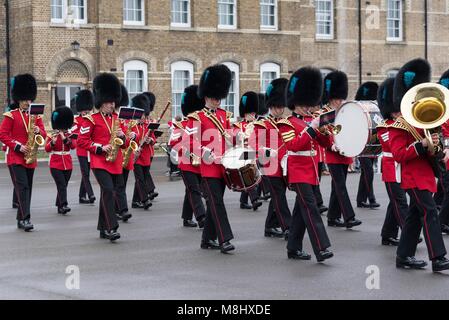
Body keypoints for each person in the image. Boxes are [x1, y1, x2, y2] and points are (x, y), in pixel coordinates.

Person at [390, 58, 449, 272]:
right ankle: (438, 257)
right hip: (413, 177)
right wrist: (421, 144)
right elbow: (398, 154)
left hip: (425, 176)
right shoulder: (399, 126)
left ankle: (403, 256)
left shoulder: (424, 122)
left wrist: (436, 145)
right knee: (430, 212)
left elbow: (436, 148)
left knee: (415, 217)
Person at [277, 67, 333, 262]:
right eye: (303, 104)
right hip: (298, 170)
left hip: (311, 170)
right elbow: (293, 145)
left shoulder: (311, 120)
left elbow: (327, 144)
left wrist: (326, 131)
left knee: (301, 211)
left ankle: (293, 248)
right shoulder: (286, 123)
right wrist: (312, 128)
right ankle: (322, 247)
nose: (306, 107)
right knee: (311, 208)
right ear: (295, 103)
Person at [185, 64, 235, 253]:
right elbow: (190, 142)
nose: (217, 101)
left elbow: (231, 134)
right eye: (214, 98)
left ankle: (207, 239)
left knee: (216, 201)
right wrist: (207, 152)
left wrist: (238, 137)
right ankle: (224, 239)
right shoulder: (196, 117)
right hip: (208, 166)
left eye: (219, 97)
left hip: (224, 166)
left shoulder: (224, 116)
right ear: (206, 96)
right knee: (217, 202)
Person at [78, 73, 127, 242]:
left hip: (115, 161)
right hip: (99, 161)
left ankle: (102, 227)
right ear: (101, 101)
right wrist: (99, 148)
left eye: (113, 102)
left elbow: (125, 143)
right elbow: (82, 141)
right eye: (108, 102)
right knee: (108, 191)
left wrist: (124, 136)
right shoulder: (91, 119)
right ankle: (111, 227)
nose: (112, 105)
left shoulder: (117, 119)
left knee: (108, 194)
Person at [0, 74, 47, 231]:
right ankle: (26, 218)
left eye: (30, 99)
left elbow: (44, 135)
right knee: (23, 187)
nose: (28, 102)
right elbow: (3, 135)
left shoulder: (35, 116)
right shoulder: (11, 116)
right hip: (15, 157)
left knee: (28, 188)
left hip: (30, 157)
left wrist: (38, 130)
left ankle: (21, 218)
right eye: (25, 99)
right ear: (18, 99)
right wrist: (18, 146)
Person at [322, 71, 362, 229]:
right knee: (340, 186)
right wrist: (331, 144)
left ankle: (332, 216)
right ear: (331, 98)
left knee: (337, 186)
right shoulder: (325, 113)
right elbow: (324, 133)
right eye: (337, 98)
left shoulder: (345, 111)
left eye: (340, 98)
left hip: (345, 154)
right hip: (333, 155)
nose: (339, 101)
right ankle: (349, 217)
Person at [253, 78, 291, 239]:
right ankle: (288, 227)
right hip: (269, 166)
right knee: (279, 197)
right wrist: (266, 150)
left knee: (277, 196)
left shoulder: (285, 123)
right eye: (276, 107)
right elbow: (254, 143)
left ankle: (270, 226)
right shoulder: (263, 124)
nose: (279, 110)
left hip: (282, 166)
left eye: (281, 106)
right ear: (270, 106)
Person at [169, 84, 207, 228]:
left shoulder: (201, 124)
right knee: (194, 190)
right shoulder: (181, 125)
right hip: (186, 162)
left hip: (200, 162)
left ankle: (186, 217)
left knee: (190, 190)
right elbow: (173, 142)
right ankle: (201, 217)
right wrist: (185, 150)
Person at [376, 78, 408, 246]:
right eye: (395, 112)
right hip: (390, 168)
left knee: (394, 202)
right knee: (400, 202)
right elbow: (390, 145)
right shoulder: (384, 127)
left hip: (402, 167)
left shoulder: (403, 125)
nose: (398, 114)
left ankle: (387, 234)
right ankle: (408, 232)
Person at [234, 91, 263, 211]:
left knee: (255, 177)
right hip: (243, 154)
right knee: (248, 175)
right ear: (244, 113)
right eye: (249, 112)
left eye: (253, 112)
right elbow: (235, 139)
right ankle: (255, 199)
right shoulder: (238, 126)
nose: (251, 114)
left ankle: (243, 201)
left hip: (255, 153)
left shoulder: (258, 124)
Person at [355, 82, 381, 209]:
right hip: (361, 145)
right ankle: (371, 198)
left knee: (365, 172)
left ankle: (360, 200)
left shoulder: (374, 110)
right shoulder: (358, 110)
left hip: (372, 143)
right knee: (369, 171)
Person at [46, 106, 75, 215]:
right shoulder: (52, 135)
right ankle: (64, 204)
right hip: (55, 164)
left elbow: (73, 146)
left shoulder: (69, 135)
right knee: (61, 184)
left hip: (67, 163)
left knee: (64, 185)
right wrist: (53, 142)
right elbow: (47, 149)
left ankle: (59, 205)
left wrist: (65, 139)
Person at [114, 85, 136, 222]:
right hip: (116, 155)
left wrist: (132, 135)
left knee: (122, 184)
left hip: (126, 155)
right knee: (119, 185)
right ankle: (123, 210)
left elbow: (133, 136)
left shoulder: (128, 120)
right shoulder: (114, 119)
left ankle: (118, 209)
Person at [130, 93, 154, 211]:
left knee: (142, 179)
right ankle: (144, 200)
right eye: (141, 115)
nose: (143, 117)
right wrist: (133, 137)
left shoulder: (148, 126)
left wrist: (150, 140)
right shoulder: (132, 126)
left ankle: (135, 201)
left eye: (144, 114)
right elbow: (129, 140)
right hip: (136, 156)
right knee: (139, 179)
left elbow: (153, 138)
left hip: (146, 155)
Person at [73, 89, 96, 205]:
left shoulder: (92, 120)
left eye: (87, 110)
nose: (85, 112)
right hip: (82, 151)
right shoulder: (76, 121)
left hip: (90, 150)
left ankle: (82, 196)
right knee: (85, 173)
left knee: (86, 173)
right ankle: (90, 194)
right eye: (83, 110)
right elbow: (72, 134)